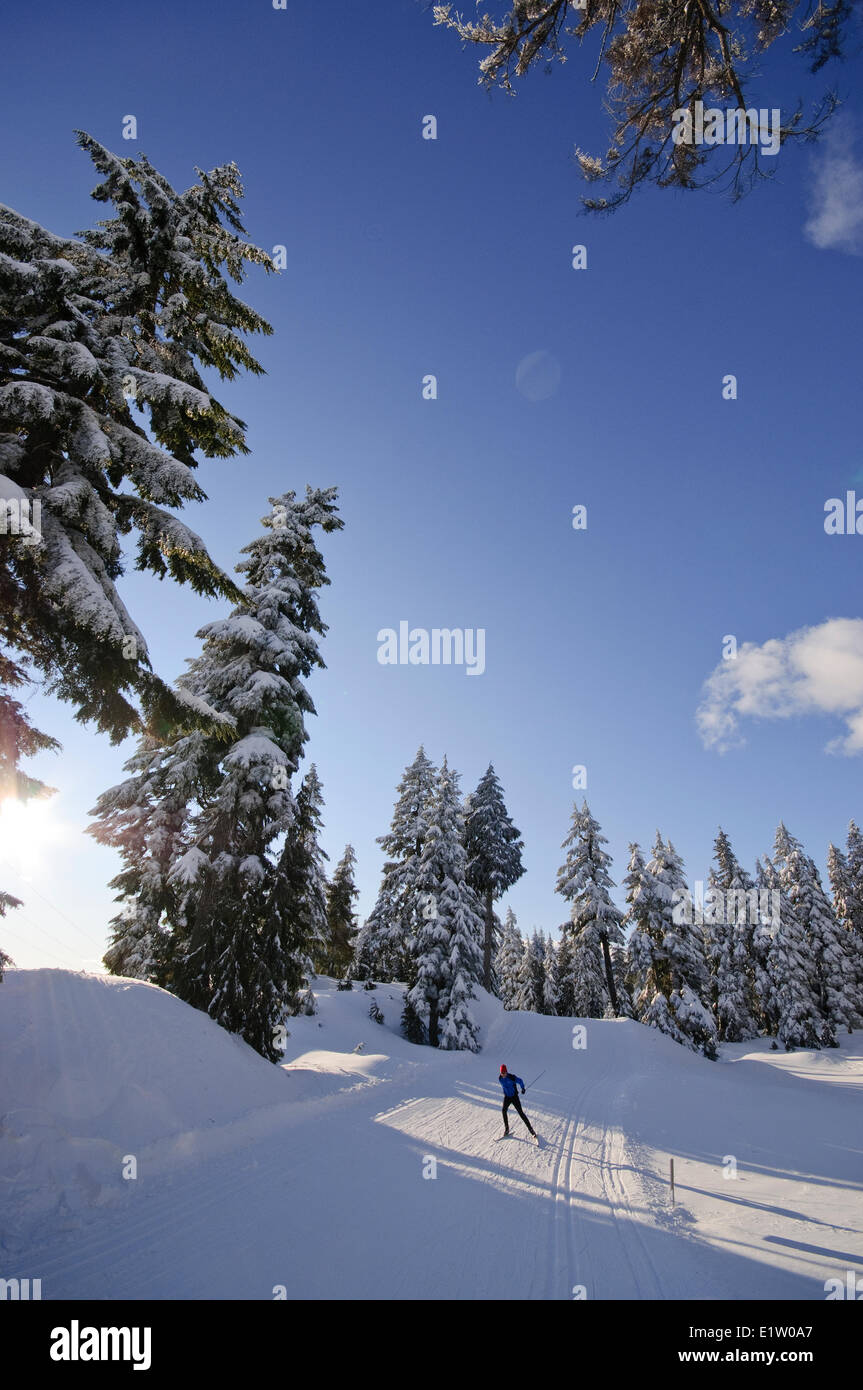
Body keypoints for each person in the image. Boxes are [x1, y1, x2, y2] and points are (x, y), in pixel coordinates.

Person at [498, 1065, 536, 1138]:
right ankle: (507, 1129)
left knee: (521, 1113)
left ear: (507, 1071)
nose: (503, 1074)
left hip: (514, 1097)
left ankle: (531, 1130)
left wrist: (523, 1088)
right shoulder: (500, 1079)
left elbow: (520, 1080)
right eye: (502, 1073)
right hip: (507, 1097)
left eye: (504, 1072)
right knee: (504, 1110)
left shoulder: (512, 1077)